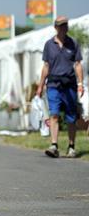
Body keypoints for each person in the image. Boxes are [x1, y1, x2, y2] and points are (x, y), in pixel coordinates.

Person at [36, 16, 84, 158]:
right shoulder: (49, 45)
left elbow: (78, 64)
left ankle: (71, 147)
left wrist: (80, 84)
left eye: (65, 25)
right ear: (55, 27)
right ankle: (54, 145)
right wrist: (40, 85)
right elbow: (46, 66)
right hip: (53, 85)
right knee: (54, 114)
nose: (64, 27)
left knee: (71, 118)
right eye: (61, 25)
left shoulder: (73, 43)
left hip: (69, 84)